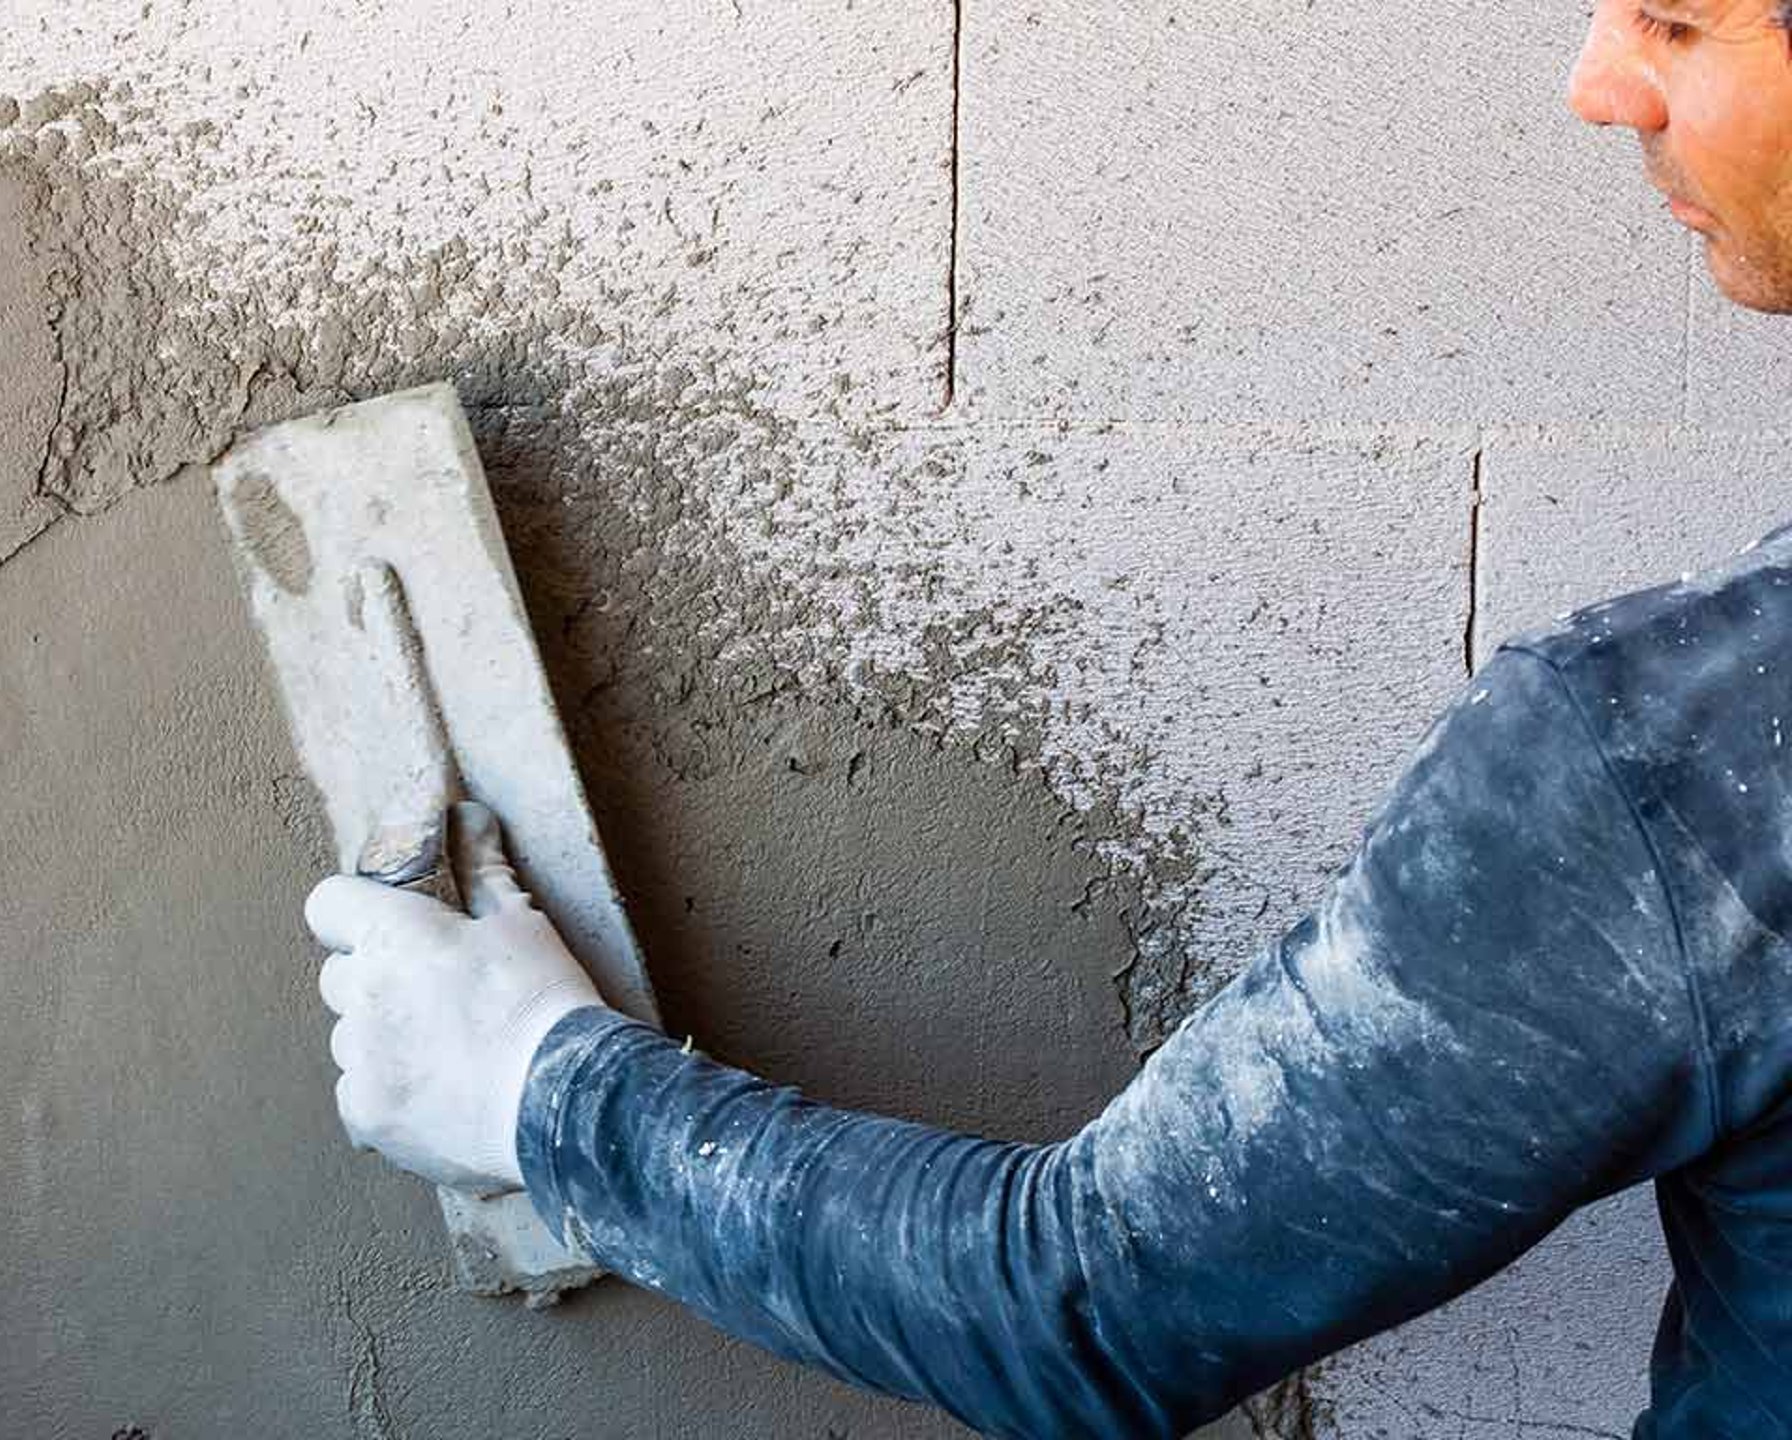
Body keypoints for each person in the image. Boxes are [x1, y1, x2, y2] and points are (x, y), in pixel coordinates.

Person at [304, 3, 1792, 1435]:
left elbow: (1090, 1303)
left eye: (1677, 18)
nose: (1598, 86)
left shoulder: (1681, 765)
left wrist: (535, 1088)